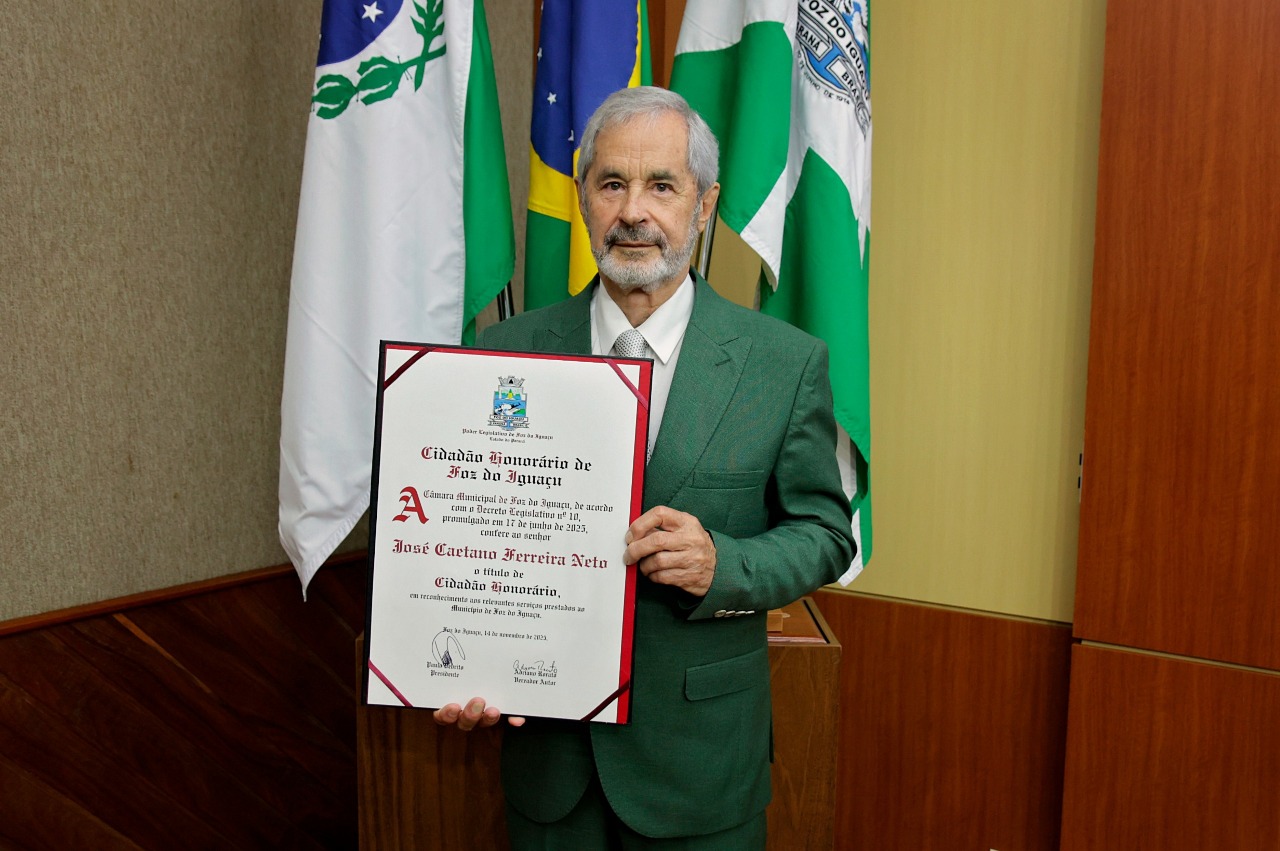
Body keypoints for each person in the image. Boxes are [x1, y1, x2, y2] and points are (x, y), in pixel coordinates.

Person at [433, 86, 855, 849]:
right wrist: (463, 663)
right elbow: (469, 534)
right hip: (549, 767)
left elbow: (825, 533)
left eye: (662, 185)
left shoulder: (782, 364)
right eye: (612, 184)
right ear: (583, 198)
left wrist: (723, 563)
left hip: (702, 772)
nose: (634, 212)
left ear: (704, 205)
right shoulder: (504, 354)